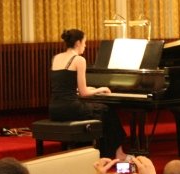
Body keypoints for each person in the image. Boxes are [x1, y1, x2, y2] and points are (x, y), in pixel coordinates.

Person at [49, 29, 129, 159]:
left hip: (54, 109)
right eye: (84, 42)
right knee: (107, 110)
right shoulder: (79, 60)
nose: (85, 46)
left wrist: (92, 88)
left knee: (99, 110)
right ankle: (118, 153)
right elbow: (84, 93)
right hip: (70, 107)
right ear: (78, 42)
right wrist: (101, 89)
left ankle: (100, 151)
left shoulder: (56, 58)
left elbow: (68, 87)